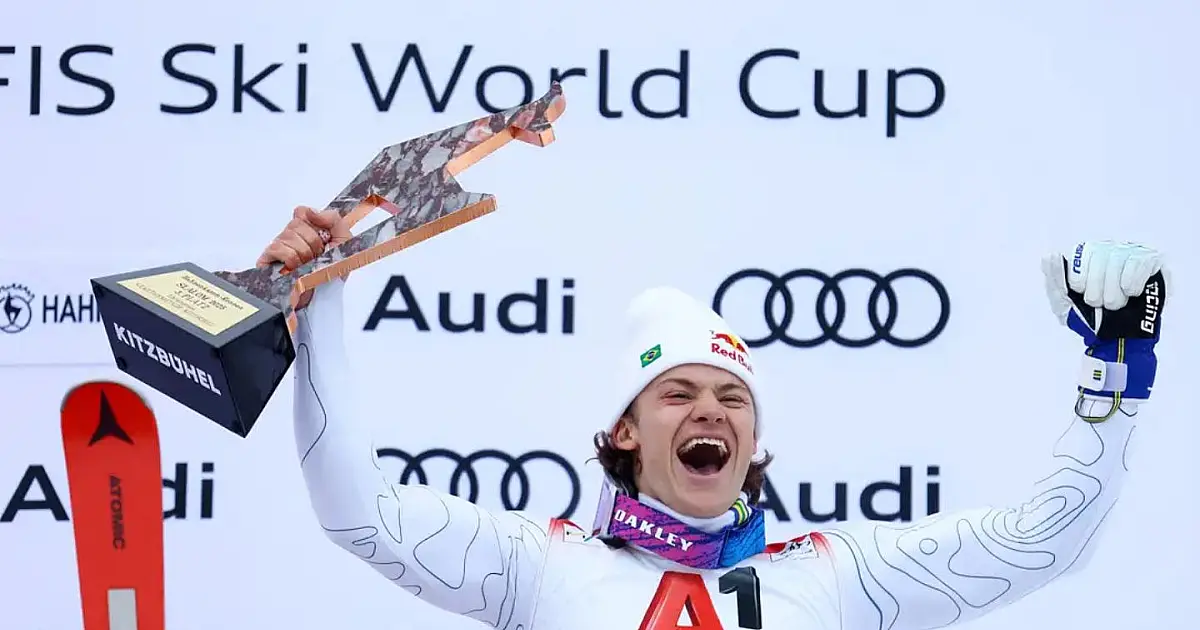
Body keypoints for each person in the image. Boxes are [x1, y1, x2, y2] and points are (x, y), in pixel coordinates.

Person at [260, 205, 1167, 629]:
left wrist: (1113, 378)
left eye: (734, 398)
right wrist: (322, 298)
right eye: (679, 393)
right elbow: (358, 513)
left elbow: (1045, 544)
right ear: (625, 433)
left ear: (753, 440)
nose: (712, 411)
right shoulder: (538, 565)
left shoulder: (841, 576)